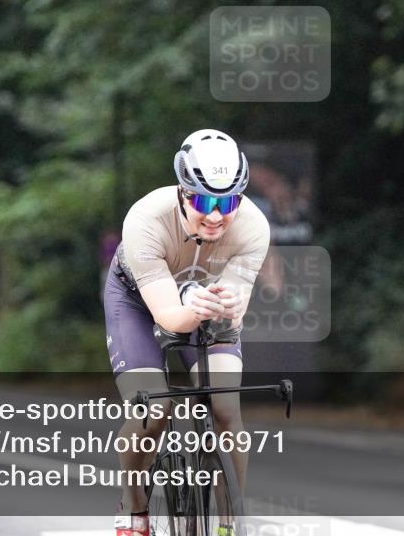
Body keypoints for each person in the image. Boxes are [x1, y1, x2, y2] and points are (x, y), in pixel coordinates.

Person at [104, 129, 270, 536]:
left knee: (227, 407)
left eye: (228, 202)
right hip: (140, 303)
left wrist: (227, 308)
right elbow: (168, 317)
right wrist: (192, 309)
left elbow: (234, 310)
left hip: (206, 302)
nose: (216, 215)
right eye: (203, 201)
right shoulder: (145, 219)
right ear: (182, 191)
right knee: (152, 409)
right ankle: (134, 505)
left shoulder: (253, 226)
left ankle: (231, 521)